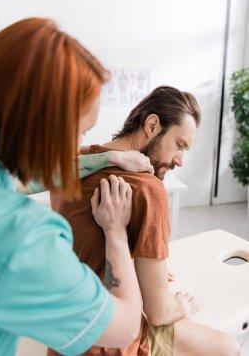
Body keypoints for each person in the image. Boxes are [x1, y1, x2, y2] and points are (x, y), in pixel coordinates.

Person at [0, 17, 155, 356]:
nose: (78, 148)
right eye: (79, 133)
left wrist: (107, 159)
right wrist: (115, 231)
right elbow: (124, 326)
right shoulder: (23, 238)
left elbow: (23, 177)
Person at [50, 86, 240, 356]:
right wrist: (180, 307)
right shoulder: (148, 189)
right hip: (110, 344)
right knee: (228, 348)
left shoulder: (75, 163)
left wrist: (143, 269)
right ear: (152, 125)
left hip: (63, 336)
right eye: (179, 145)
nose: (180, 161)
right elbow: (159, 312)